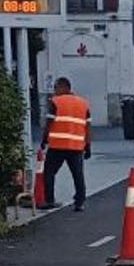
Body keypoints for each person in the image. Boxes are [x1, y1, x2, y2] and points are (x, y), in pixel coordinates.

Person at [40, 77, 91, 211]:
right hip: (76, 147)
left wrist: (44, 140)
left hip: (57, 146)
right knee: (78, 175)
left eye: (56, 88)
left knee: (49, 173)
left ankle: (49, 200)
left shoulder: (55, 102)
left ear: (63, 87)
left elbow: (49, 124)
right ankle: (80, 202)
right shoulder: (83, 103)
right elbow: (87, 126)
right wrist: (88, 146)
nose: (54, 91)